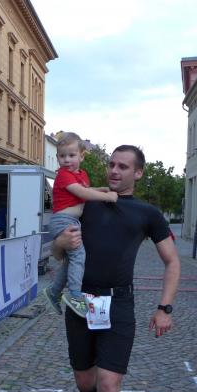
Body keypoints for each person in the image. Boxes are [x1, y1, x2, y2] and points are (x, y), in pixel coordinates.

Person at [53, 145, 180, 392]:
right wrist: (59, 243)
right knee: (85, 381)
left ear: (138, 173)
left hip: (119, 304)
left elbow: (172, 262)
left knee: (109, 384)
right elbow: (57, 252)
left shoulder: (147, 213)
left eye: (123, 166)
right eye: (111, 164)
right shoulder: (86, 203)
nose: (114, 171)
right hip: (81, 303)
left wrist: (165, 308)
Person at [42, 132, 118, 318]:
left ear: (82, 156)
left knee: (71, 260)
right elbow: (82, 194)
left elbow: (85, 190)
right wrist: (108, 196)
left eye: (71, 155)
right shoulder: (63, 175)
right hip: (63, 220)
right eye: (62, 156)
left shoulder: (81, 174)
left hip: (71, 220)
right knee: (78, 256)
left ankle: (54, 292)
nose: (67, 160)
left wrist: (100, 189)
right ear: (58, 157)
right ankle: (75, 296)